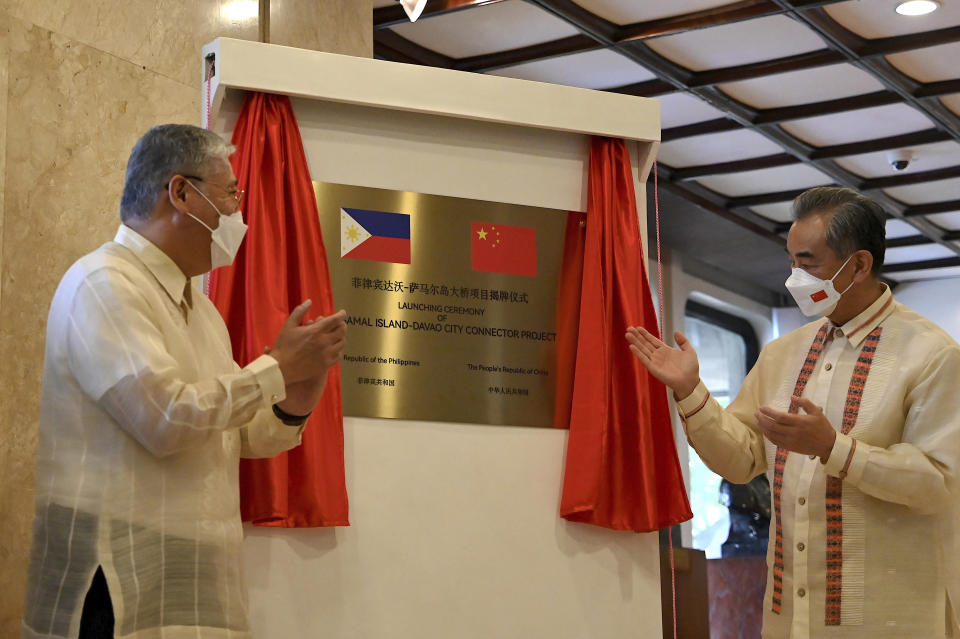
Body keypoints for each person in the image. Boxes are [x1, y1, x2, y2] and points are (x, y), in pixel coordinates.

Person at [22, 124, 347, 639]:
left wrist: (298, 392)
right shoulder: (104, 283)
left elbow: (233, 434)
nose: (239, 211)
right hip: (111, 584)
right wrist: (276, 368)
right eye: (231, 193)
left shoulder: (204, 313)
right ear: (181, 193)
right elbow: (167, 418)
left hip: (187, 585)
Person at [627, 186, 960, 638]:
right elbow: (741, 460)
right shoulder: (784, 354)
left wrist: (834, 449)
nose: (794, 276)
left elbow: (939, 483)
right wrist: (689, 391)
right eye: (791, 261)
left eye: (808, 262)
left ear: (859, 265)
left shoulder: (932, 355)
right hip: (789, 620)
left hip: (888, 620)